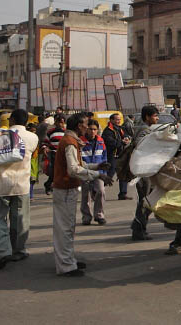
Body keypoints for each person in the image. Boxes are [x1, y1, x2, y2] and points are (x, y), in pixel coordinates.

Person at [52, 113, 113, 276]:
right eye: (86, 124)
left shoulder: (71, 141)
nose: (88, 127)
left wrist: (97, 166)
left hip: (66, 188)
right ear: (79, 126)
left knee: (67, 227)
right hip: (65, 188)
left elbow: (80, 164)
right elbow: (74, 170)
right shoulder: (70, 142)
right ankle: (65, 265)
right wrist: (98, 175)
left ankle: (68, 260)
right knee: (65, 228)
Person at [0, 109, 38, 270]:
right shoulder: (32, 137)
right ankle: (19, 250)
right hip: (21, 185)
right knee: (20, 220)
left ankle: (3, 251)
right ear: (26, 121)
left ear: (11, 120)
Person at [126, 105, 159, 241]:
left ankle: (139, 227)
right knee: (146, 201)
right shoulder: (144, 130)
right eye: (155, 116)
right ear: (147, 117)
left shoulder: (144, 128)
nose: (157, 118)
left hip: (145, 170)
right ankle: (138, 229)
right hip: (143, 171)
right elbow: (141, 146)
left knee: (146, 200)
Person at [80, 119, 108, 226]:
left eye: (94, 129)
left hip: (99, 171)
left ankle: (99, 215)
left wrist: (104, 170)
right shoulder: (81, 141)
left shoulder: (101, 141)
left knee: (101, 191)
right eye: (90, 129)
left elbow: (104, 155)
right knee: (85, 195)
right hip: (85, 171)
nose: (92, 131)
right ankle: (86, 217)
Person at [102, 113, 132, 200]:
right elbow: (111, 143)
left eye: (119, 119)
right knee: (110, 174)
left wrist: (127, 139)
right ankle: (97, 189)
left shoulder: (121, 129)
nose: (118, 121)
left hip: (121, 154)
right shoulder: (108, 131)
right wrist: (122, 142)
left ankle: (123, 193)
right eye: (116, 119)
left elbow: (126, 135)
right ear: (111, 120)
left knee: (123, 173)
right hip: (112, 155)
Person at [43, 115, 66, 195]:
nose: (60, 124)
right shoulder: (50, 132)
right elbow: (45, 142)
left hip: (63, 154)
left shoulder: (65, 132)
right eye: (59, 122)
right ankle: (48, 185)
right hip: (53, 154)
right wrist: (45, 147)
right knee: (53, 172)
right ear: (55, 122)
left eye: (62, 122)